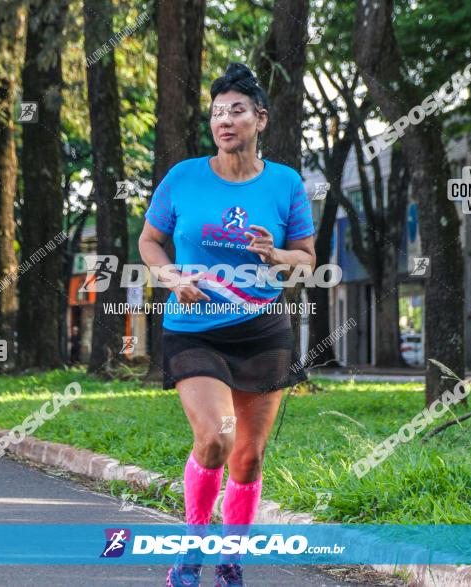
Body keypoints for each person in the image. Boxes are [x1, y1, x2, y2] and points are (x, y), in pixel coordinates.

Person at [138, 62, 315, 587]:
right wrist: (169, 276)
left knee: (248, 456)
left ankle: (231, 559)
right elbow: (149, 242)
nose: (225, 120)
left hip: (261, 328)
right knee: (215, 438)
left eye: (237, 110)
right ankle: (190, 552)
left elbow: (307, 259)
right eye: (217, 112)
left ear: (260, 119)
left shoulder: (285, 184)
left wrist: (275, 253)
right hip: (192, 325)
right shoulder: (183, 177)